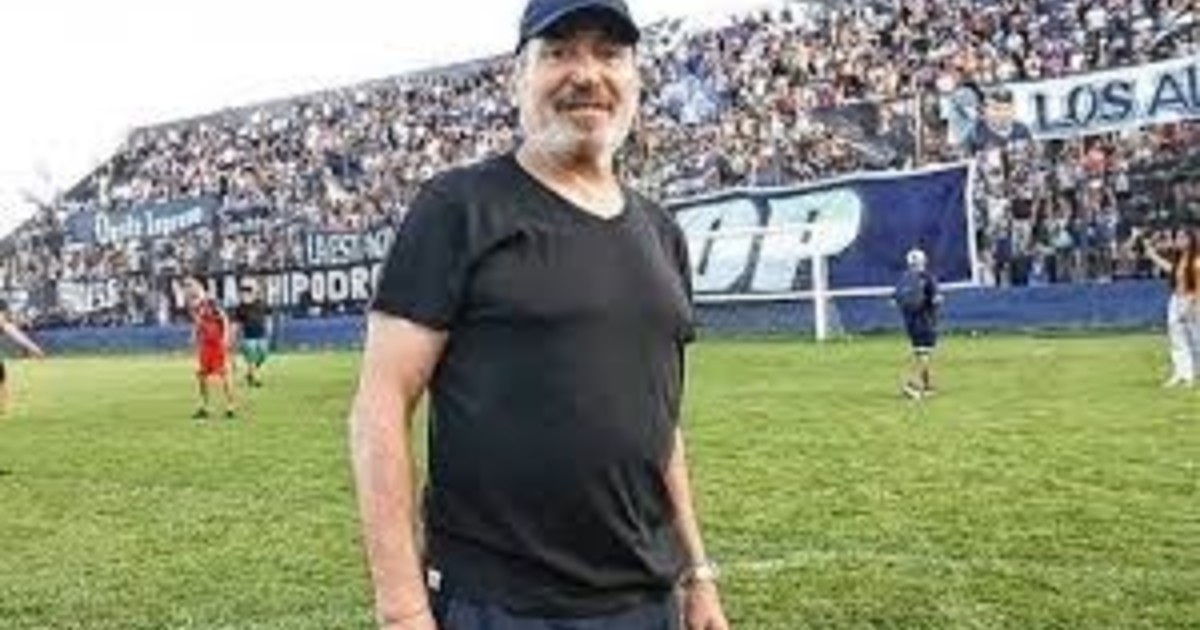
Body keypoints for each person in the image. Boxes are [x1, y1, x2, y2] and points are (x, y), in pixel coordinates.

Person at [349, 1, 729, 629]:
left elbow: (660, 426)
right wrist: (403, 610)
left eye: (608, 53)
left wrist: (697, 572)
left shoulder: (662, 234)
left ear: (635, 77)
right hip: (500, 606)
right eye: (559, 52)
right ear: (518, 77)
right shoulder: (458, 207)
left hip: (647, 603)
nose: (586, 74)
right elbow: (380, 407)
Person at [1143, 227, 1200, 387]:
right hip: (1176, 300)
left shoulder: (1196, 261)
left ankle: (1192, 374)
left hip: (1192, 300)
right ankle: (1181, 374)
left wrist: (1192, 306)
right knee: (1176, 339)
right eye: (1177, 238)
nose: (1177, 241)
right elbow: (1170, 269)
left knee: (1196, 339)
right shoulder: (1179, 259)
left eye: (1182, 238)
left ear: (1190, 240)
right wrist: (1152, 255)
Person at [183, 276, 237, 418]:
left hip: (217, 343)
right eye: (186, 286)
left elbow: (224, 318)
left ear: (198, 286)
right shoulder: (193, 305)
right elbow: (198, 322)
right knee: (201, 375)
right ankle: (205, 407)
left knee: (224, 374)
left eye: (190, 285)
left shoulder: (210, 301)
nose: (188, 289)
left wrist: (225, 336)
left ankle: (230, 406)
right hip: (205, 344)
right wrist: (194, 335)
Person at [893, 248, 943, 399]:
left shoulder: (904, 279)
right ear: (924, 261)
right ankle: (911, 385)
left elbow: (894, 300)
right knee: (924, 355)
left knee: (920, 353)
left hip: (910, 323)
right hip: (926, 321)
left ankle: (928, 387)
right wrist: (937, 301)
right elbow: (936, 299)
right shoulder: (928, 278)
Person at [0, 299, 46, 416]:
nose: (5, 315)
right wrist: (35, 349)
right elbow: (16, 335)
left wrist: (34, 348)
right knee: (2, 380)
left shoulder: (4, 323)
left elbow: (16, 334)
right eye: (4, 312)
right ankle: (2, 409)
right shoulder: (3, 322)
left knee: (2, 379)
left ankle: (2, 409)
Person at [232, 284, 270, 388]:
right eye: (241, 294)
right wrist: (234, 336)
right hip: (248, 337)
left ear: (251, 294)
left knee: (263, 355)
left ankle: (250, 373)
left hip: (261, 335)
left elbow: (267, 315)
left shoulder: (260, 304)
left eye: (245, 294)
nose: (243, 296)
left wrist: (268, 327)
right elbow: (236, 323)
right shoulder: (240, 308)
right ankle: (255, 378)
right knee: (251, 358)